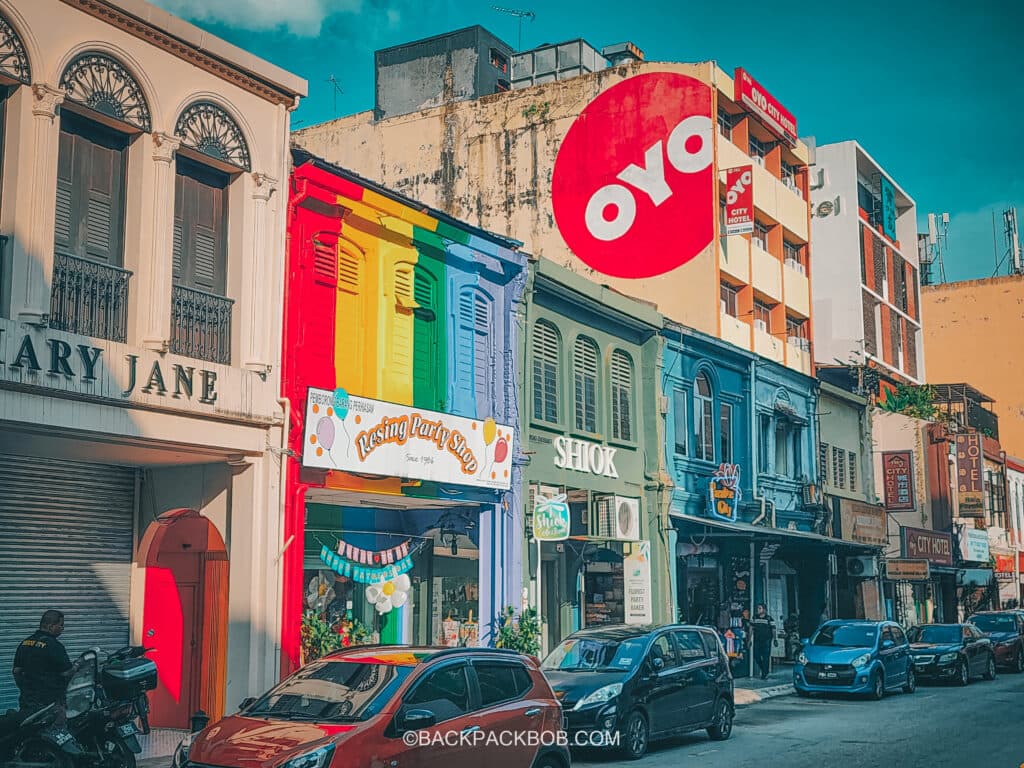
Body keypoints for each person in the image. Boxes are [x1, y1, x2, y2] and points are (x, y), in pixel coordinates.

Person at [12, 610, 82, 752]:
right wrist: (77, 666)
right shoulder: (54, 646)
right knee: (56, 739)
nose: (63, 628)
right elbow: (66, 673)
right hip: (51, 704)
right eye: (61, 625)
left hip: (28, 702)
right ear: (50, 626)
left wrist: (25, 689)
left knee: (30, 736)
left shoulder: (25, 643)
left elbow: (16, 671)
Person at [750, 604, 775, 680]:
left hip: (767, 640)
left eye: (759, 608)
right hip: (757, 640)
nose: (758, 610)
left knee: (766, 657)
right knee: (756, 655)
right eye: (758, 608)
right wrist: (749, 639)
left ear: (764, 610)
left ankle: (765, 673)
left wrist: (775, 639)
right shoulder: (754, 618)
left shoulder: (769, 619)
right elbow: (751, 628)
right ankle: (763, 669)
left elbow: (773, 629)